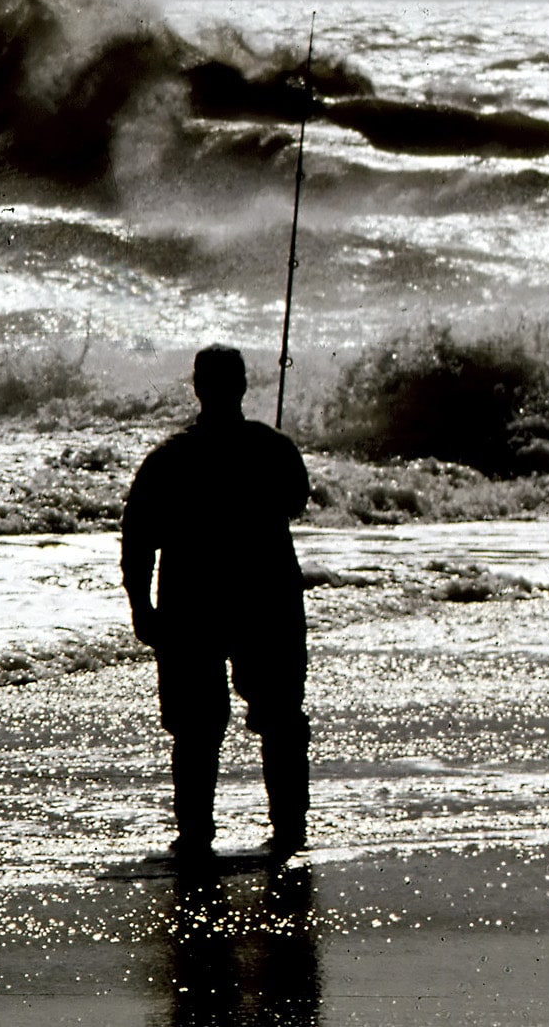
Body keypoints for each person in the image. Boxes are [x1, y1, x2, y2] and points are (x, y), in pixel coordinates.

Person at [122, 345, 313, 859]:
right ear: (244, 387)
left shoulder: (170, 458)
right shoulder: (273, 448)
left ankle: (196, 834)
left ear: (197, 387)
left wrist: (141, 605)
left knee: (195, 726)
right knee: (280, 716)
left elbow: (137, 537)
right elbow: (297, 499)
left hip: (192, 600)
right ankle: (290, 828)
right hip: (267, 597)